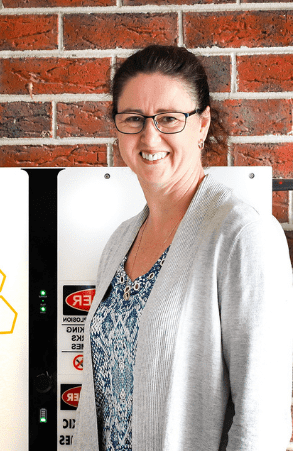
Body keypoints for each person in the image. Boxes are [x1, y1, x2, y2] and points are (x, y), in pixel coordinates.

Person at [74, 45, 293, 450]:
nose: (150, 136)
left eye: (170, 119)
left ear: (202, 123)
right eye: (134, 119)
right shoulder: (119, 242)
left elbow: (263, 422)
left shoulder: (242, 235)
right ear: (117, 127)